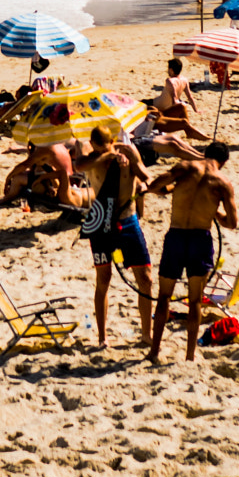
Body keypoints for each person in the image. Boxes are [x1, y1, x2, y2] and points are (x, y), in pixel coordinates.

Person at [146, 144, 239, 363]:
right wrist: (214, 211)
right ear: (224, 162)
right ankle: (189, 355)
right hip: (200, 239)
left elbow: (154, 186)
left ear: (204, 154)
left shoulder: (185, 167)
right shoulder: (223, 183)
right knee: (195, 300)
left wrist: (170, 190)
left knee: (163, 298)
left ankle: (154, 351)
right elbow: (232, 223)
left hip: (176, 236)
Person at [75, 127, 155, 346]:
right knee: (104, 279)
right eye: (97, 147)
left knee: (145, 279)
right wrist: (107, 155)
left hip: (128, 220)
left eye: (107, 146)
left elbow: (145, 174)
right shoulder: (91, 158)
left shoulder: (129, 151)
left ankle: (146, 334)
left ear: (113, 140)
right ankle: (102, 337)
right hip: (102, 224)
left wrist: (145, 185)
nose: (103, 150)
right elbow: (79, 165)